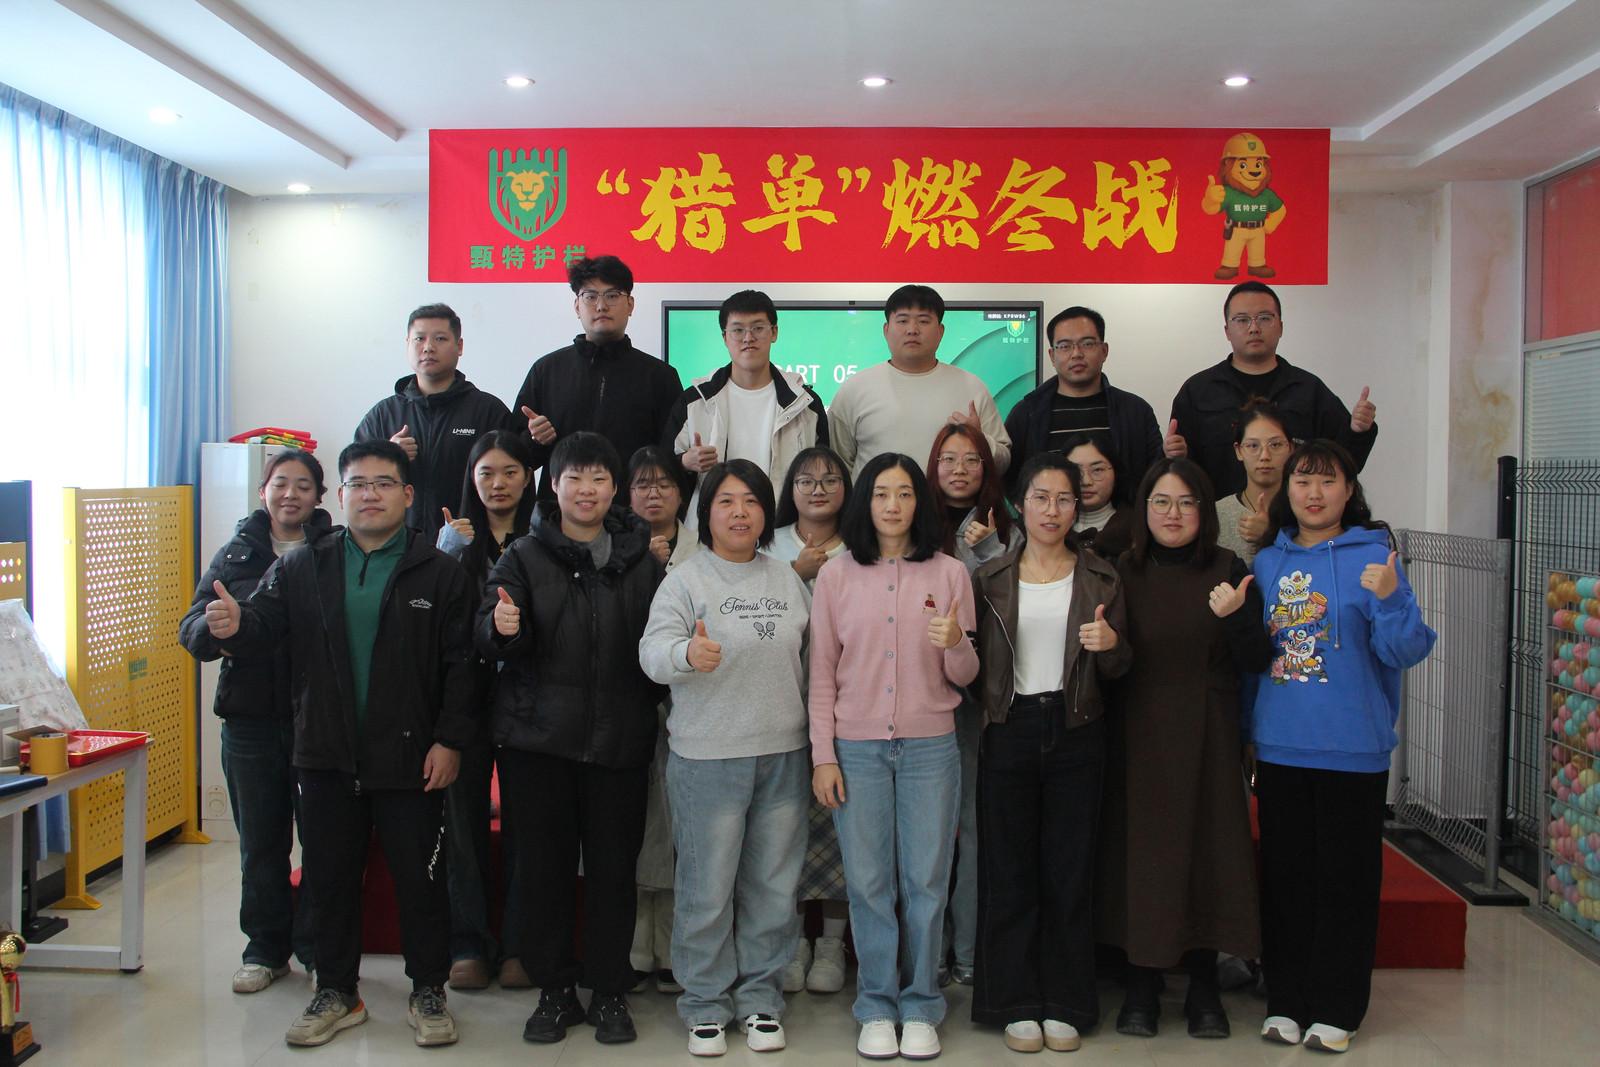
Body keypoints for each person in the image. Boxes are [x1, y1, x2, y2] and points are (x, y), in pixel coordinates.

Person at [199, 440, 478, 1049]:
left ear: (408, 495)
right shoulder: (304, 563)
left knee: (421, 880)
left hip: (411, 757)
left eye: (384, 483)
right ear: (341, 496)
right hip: (323, 753)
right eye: (358, 484)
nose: (370, 494)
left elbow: (461, 665)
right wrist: (235, 624)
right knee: (328, 878)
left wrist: (450, 740)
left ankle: (428, 988)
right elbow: (264, 626)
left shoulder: (440, 572)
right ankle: (336, 990)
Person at [478, 432, 665, 1046]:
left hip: (620, 742)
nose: (586, 490)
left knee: (614, 871)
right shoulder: (525, 557)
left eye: (599, 479)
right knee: (544, 870)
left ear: (615, 489)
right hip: (538, 743)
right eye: (573, 478)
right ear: (553, 486)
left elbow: (662, 645)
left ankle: (610, 989)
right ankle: (555, 988)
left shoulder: (644, 562)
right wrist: (502, 628)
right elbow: (489, 630)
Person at [1248, 440, 1435, 1054]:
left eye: (1328, 482)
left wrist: (1391, 595)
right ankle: (1285, 1001)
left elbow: (1405, 651)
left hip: (1353, 748)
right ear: (1287, 491)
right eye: (1303, 481)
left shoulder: (1376, 557)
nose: (1313, 493)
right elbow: (1253, 659)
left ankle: (1338, 1006)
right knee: (1286, 878)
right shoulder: (1267, 563)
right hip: (1279, 745)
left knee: (1346, 882)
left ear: (1349, 491)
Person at [639, 460, 813, 1056]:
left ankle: (761, 999)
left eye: (751, 502)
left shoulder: (787, 579)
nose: (739, 512)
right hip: (708, 757)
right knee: (707, 888)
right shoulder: (685, 580)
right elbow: (651, 652)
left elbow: (813, 662)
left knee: (772, 885)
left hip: (784, 754)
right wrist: (687, 653)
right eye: (725, 501)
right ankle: (705, 1003)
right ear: (705, 512)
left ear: (767, 513)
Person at [809, 453, 979, 1061]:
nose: (892, 505)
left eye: (904, 493)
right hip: (856, 749)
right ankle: (877, 1003)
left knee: (927, 880)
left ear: (919, 503)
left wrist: (957, 643)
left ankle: (922, 1003)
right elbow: (822, 674)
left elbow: (966, 674)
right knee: (869, 881)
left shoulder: (950, 573)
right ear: (865, 501)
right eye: (881, 493)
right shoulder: (836, 576)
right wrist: (822, 755)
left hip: (932, 746)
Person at [1098, 458, 1272, 1040]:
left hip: (1208, 733)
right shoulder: (1122, 570)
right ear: (1143, 510)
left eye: (1187, 503)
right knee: (1142, 861)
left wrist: (1238, 619)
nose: (1173, 515)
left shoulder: (1228, 568)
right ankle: (1142, 986)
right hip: (1137, 734)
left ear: (1206, 510)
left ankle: (1203, 989)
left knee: (1207, 858)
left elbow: (1256, 661)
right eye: (1161, 503)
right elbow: (1109, 660)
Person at [970, 453, 1131, 1054]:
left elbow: (1122, 666)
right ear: (1020, 502)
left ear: (1077, 507)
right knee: (1009, 871)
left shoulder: (1103, 576)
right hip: (1008, 727)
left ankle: (1065, 1000)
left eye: (1064, 499)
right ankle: (1011, 999)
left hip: (1077, 726)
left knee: (1069, 871)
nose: (1052, 510)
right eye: (1041, 497)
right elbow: (970, 666)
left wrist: (1111, 645)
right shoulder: (989, 579)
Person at [178, 449, 333, 996]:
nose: (290, 494)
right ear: (263, 491)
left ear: (321, 496)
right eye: (279, 483)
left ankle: (318, 950)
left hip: (320, 718)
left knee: (321, 842)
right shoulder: (237, 553)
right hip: (249, 719)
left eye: (303, 485)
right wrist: (215, 627)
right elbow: (193, 625)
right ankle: (265, 950)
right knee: (261, 843)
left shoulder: (332, 552)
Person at [432, 431, 537, 991]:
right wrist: (444, 551)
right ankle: (468, 942)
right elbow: (434, 624)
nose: (498, 484)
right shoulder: (453, 541)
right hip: (465, 702)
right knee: (463, 825)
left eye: (510, 472)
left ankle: (520, 943)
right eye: (486, 473)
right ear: (471, 479)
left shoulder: (545, 536)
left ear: (528, 476)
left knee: (526, 825)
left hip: (528, 702)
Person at [925, 422, 1013, 988]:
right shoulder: (911, 523)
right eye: (948, 459)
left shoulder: (1009, 525)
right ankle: (929, 955)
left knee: (976, 830)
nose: (959, 469)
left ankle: (973, 953)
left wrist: (990, 550)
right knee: (928, 833)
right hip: (923, 700)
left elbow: (1016, 608)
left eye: (972, 460)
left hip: (985, 701)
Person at [765, 447, 854, 994]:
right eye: (805, 480)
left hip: (847, 713)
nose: (817, 489)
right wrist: (794, 577)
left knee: (843, 830)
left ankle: (832, 945)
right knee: (786, 832)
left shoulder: (862, 548)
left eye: (829, 479)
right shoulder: (769, 547)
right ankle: (793, 941)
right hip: (778, 710)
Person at [1168, 281, 1377, 497]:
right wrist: (1176, 455)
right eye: (1242, 320)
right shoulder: (1198, 391)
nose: (1254, 328)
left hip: (1294, 522)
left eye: (1265, 318)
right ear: (1227, 331)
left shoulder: (1308, 389)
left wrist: (1358, 431)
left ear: (1281, 327)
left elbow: (1343, 465)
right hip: (1219, 521)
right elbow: (1180, 477)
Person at [514, 255, 684, 500]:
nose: (601, 306)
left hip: (632, 519)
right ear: (576, 306)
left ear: (630, 304)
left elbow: (672, 456)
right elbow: (515, 461)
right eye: (590, 296)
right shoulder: (547, 371)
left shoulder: (659, 376)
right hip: (559, 519)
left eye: (612, 295)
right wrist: (535, 440)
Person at [626, 444, 698, 996]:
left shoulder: (705, 547)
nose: (653, 493)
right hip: (627, 703)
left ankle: (671, 947)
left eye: (664, 484)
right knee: (635, 822)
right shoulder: (611, 550)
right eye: (642, 484)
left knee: (675, 824)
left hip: (691, 702)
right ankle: (634, 946)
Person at [353, 303, 518, 541]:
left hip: (472, 545)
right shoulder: (383, 415)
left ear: (459, 346)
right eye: (419, 339)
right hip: (396, 545)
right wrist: (387, 456)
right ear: (407, 344)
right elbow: (354, 479)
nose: (428, 347)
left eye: (440, 339)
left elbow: (516, 475)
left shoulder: (487, 411)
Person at [666, 290, 828, 523]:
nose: (748, 338)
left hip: (782, 530)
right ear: (725, 337)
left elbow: (825, 472)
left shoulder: (805, 403)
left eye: (758, 328)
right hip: (712, 532)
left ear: (774, 332)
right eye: (738, 330)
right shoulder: (695, 401)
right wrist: (685, 462)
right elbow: (661, 467)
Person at [828, 285, 1011, 480]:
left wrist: (979, 441)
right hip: (875, 509)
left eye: (923, 321)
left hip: (951, 510)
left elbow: (1003, 463)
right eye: (903, 320)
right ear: (886, 330)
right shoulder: (854, 390)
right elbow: (837, 467)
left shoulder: (972, 387)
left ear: (940, 331)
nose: (912, 330)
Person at [1003, 306, 1164, 490]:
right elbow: (1009, 479)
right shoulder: (1026, 414)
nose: (1076, 353)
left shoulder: (1135, 411)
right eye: (1064, 346)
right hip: (1049, 518)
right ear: (1052, 356)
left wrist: (1174, 455)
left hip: (1121, 518)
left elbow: (1154, 475)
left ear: (1104, 351)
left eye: (1087, 344)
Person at [1215, 398, 1292, 564]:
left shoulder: (1306, 510)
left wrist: (1271, 534)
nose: (1265, 456)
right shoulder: (1216, 514)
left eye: (1276, 445)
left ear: (1290, 448)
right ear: (1239, 451)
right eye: (1253, 446)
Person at [1061, 431, 1137, 558]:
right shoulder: (1047, 527)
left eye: (1097, 470)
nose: (1086, 481)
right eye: (1075, 471)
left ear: (1116, 472)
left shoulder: (1136, 527)